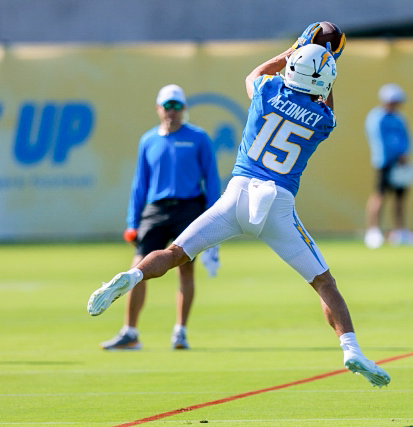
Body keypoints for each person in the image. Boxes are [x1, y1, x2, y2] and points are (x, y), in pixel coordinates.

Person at [88, 27, 390, 387]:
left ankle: (134, 275)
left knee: (172, 255)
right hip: (276, 203)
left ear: (291, 69)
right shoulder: (322, 119)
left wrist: (294, 49)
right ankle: (351, 349)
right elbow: (326, 101)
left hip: (236, 195)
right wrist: (326, 63)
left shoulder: (268, 90)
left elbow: (255, 74)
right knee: (324, 283)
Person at [100, 84, 221, 350]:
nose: (172, 111)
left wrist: (215, 219)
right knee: (137, 269)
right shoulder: (149, 140)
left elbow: (211, 180)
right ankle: (130, 332)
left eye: (177, 106)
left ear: (184, 108)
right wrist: (133, 222)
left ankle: (181, 331)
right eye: (168, 106)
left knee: (185, 269)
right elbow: (139, 184)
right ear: (158, 108)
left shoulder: (199, 138)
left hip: (189, 208)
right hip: (155, 210)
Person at [364, 83, 413, 249]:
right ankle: (373, 232)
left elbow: (406, 138)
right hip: (385, 163)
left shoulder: (399, 118)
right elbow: (380, 141)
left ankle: (399, 232)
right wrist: (394, 157)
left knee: (400, 199)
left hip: (400, 164)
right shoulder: (377, 117)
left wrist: (405, 155)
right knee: (379, 196)